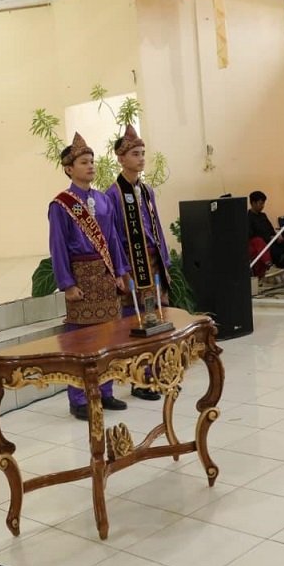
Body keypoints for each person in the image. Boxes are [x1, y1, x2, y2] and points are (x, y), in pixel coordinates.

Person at [49, 132, 130, 420]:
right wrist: (67, 284)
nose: (91, 166)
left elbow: (113, 240)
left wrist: (120, 271)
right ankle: (79, 398)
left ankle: (105, 393)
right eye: (84, 162)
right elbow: (57, 246)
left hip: (105, 275)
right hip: (81, 278)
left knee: (108, 338)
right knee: (81, 342)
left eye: (92, 161)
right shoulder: (61, 205)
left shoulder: (103, 200)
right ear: (69, 168)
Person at [105, 124, 171, 401]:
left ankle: (157, 373)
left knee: (159, 317)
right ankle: (139, 379)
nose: (141, 158)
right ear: (121, 158)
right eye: (135, 153)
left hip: (153, 263)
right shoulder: (113, 194)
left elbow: (155, 227)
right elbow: (113, 238)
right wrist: (121, 270)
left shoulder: (146, 191)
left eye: (143, 153)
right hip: (134, 264)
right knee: (137, 321)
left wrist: (165, 261)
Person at [247, 190, 284, 277]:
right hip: (263, 243)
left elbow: (271, 228)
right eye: (260, 203)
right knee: (275, 250)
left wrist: (277, 236)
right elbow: (252, 235)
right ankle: (277, 268)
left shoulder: (263, 215)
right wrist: (269, 238)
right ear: (253, 203)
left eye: (263, 203)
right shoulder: (248, 217)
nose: (262, 206)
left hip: (272, 239)